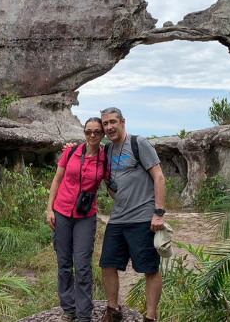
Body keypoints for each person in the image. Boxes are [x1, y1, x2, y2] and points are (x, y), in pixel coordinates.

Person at [98, 107, 166, 322]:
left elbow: (159, 177)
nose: (109, 127)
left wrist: (158, 213)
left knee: (149, 268)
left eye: (113, 122)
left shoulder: (138, 143)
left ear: (122, 122)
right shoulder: (107, 150)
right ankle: (113, 310)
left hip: (143, 218)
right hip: (118, 218)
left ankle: (150, 317)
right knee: (107, 264)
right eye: (105, 124)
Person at [46, 117, 109, 322]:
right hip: (62, 211)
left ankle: (84, 314)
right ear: (84, 132)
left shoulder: (104, 158)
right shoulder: (71, 152)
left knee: (82, 266)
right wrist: (49, 209)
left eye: (97, 132)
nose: (92, 135)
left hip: (85, 217)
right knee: (64, 263)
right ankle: (68, 308)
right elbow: (57, 180)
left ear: (102, 134)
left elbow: (112, 184)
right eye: (88, 131)